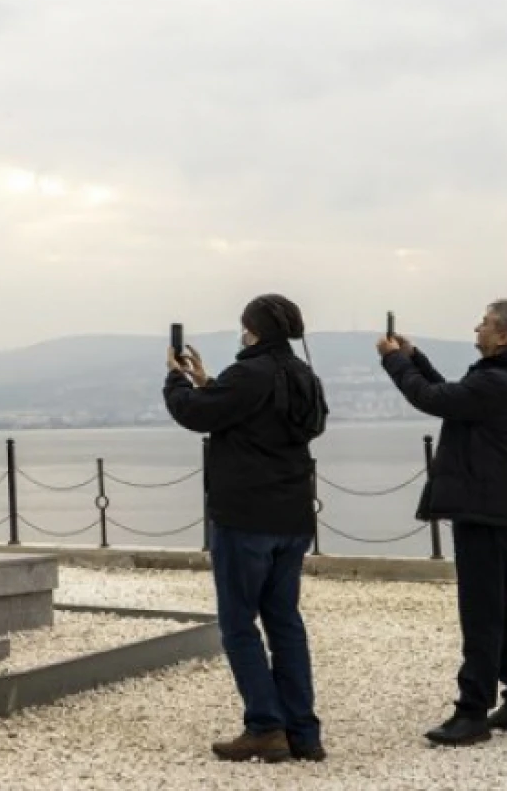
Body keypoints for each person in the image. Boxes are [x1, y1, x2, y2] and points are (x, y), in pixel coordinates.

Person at [164, 294, 330, 764]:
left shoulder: (249, 374)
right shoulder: (305, 376)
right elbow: (264, 418)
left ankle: (265, 726)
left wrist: (176, 379)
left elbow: (193, 414)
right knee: (285, 622)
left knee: (238, 623)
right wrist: (209, 382)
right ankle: (304, 731)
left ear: (253, 329)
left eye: (244, 326)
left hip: (244, 519)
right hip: (293, 516)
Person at [376, 300, 507, 745]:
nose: (477, 328)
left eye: (485, 324)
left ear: (504, 336)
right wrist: (415, 359)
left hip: (485, 509)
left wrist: (393, 362)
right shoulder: (506, 378)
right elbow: (454, 400)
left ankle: (472, 712)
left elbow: (432, 399)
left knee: (482, 611)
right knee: (504, 607)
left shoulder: (496, 382)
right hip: (499, 506)